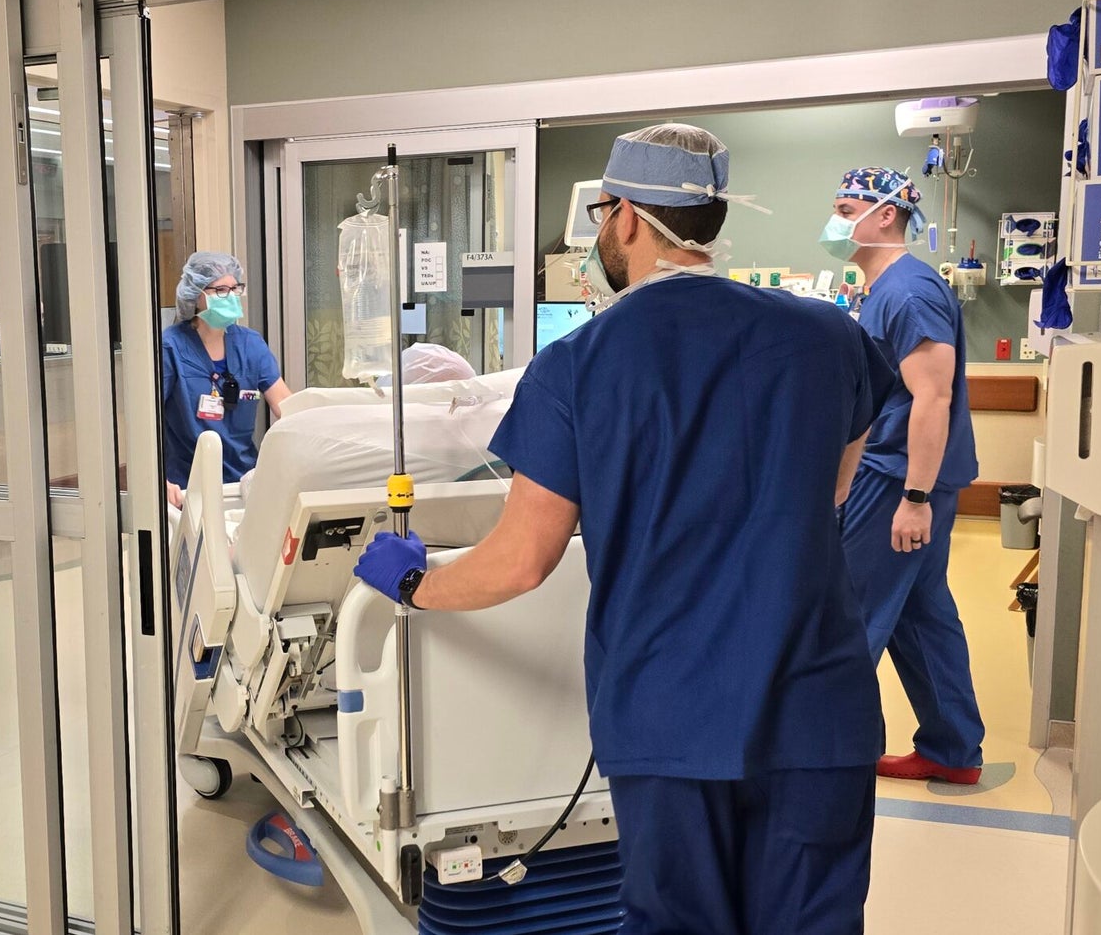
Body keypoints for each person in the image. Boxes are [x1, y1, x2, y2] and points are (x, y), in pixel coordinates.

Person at [353, 124, 897, 935]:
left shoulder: (580, 364)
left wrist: (411, 582)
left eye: (603, 213)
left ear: (630, 219)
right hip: (818, 713)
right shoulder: (827, 336)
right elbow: (838, 482)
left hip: (671, 718)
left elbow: (522, 561)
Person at [821, 167, 987, 786]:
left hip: (896, 478)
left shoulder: (909, 292)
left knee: (850, 614)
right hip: (900, 474)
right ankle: (950, 748)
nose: (834, 221)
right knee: (921, 613)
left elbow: (932, 398)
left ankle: (829, 760)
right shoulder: (885, 288)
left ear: (885, 214)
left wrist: (914, 497)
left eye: (844, 207)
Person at [162, 252, 291, 508]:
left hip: (242, 483)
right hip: (185, 488)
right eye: (220, 290)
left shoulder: (250, 344)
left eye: (235, 288)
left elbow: (287, 407)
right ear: (196, 295)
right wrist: (158, 480)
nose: (231, 297)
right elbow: (145, 423)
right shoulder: (170, 348)